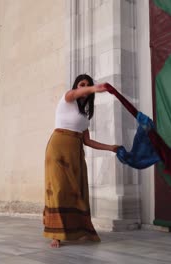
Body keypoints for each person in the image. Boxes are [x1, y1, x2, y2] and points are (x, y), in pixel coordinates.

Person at [43, 74, 119, 248]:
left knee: (78, 190)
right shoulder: (67, 99)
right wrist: (94, 88)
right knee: (58, 189)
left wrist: (111, 147)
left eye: (87, 84)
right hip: (58, 148)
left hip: (76, 151)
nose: (84, 86)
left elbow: (88, 141)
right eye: (81, 84)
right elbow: (79, 92)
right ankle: (56, 234)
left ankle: (81, 230)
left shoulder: (84, 117)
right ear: (76, 87)